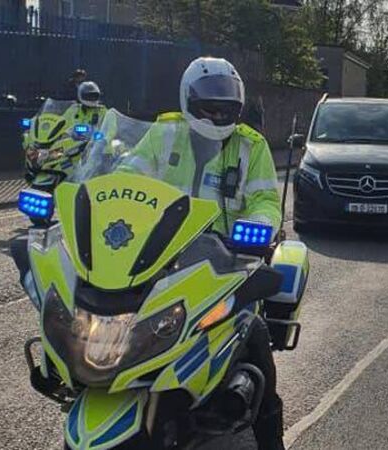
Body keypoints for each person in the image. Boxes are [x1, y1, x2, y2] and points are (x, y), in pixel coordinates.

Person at [122, 57, 284, 450]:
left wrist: (258, 226)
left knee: (256, 342)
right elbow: (126, 180)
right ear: (188, 100)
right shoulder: (164, 135)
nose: (217, 113)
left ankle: (271, 439)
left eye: (225, 106)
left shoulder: (250, 144)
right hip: (158, 263)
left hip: (228, 266)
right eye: (209, 105)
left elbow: (264, 198)